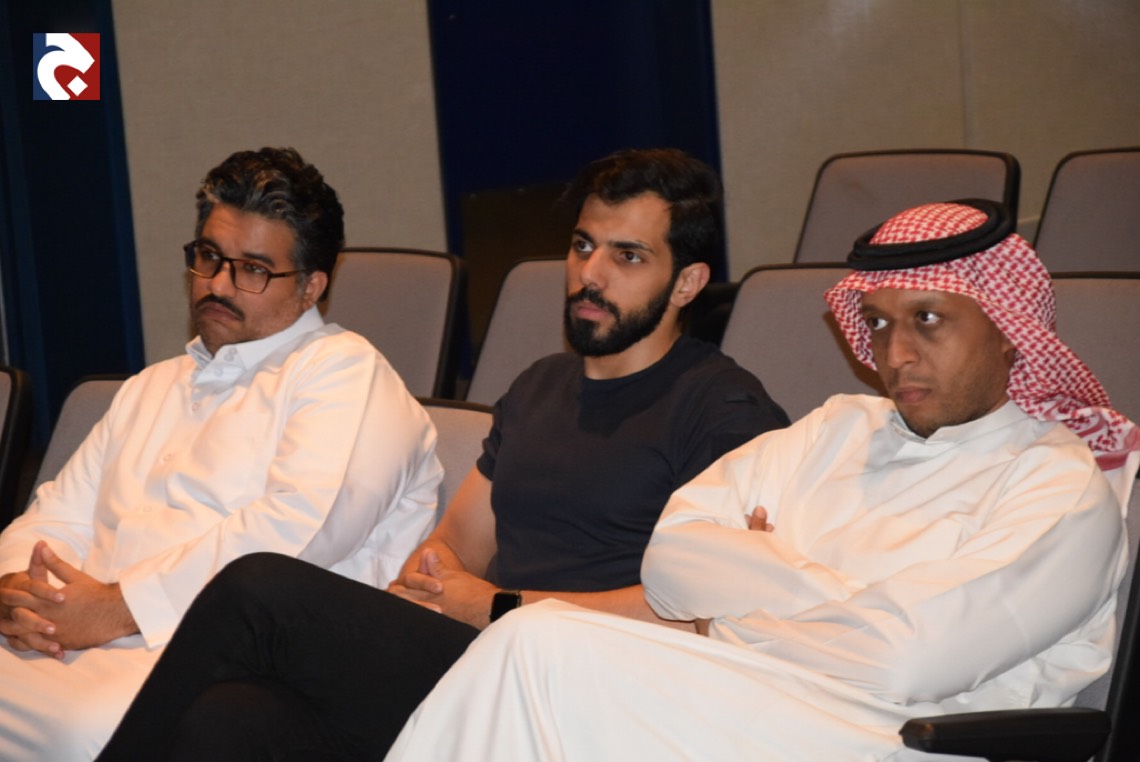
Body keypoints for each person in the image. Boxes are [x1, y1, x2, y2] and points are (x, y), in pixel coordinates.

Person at [94, 147, 789, 761]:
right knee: (230, 719)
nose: (590, 274)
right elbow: (455, 543)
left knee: (258, 588)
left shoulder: (722, 409)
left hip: (589, 690)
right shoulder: (539, 387)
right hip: (487, 667)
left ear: (688, 283)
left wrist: (497, 606)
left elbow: (711, 611)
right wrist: (436, 577)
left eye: (627, 256)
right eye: (583, 246)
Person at [386, 199, 1140, 760]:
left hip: (900, 740)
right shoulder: (838, 427)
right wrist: (851, 599)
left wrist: (742, 600)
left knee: (540, 653)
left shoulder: (1058, 487)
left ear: (1010, 333)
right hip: (756, 699)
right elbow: (671, 562)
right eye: (879, 322)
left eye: (928, 319)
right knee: (534, 646)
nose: (896, 354)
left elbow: (901, 663)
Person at [0, 147, 442, 761]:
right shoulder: (150, 386)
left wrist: (117, 609)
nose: (217, 284)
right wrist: (19, 590)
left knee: (80, 728)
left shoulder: (345, 374)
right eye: (209, 257)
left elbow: (294, 541)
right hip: (78, 631)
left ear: (312, 286)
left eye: (253, 269)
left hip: (235, 669)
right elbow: (57, 514)